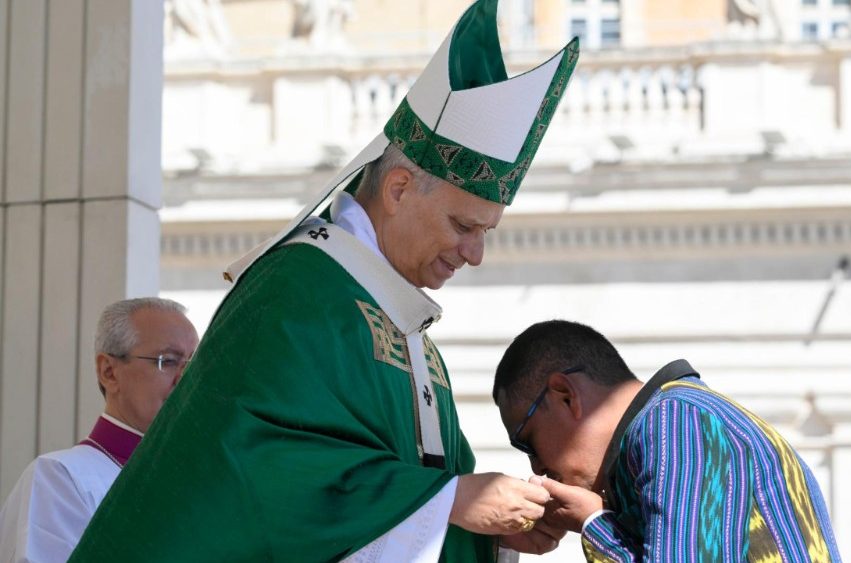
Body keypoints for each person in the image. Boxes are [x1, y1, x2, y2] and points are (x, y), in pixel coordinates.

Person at [70, 1, 578, 561]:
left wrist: (488, 528)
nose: (476, 254)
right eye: (463, 226)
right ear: (400, 188)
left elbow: (413, 494)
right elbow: (256, 476)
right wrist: (451, 502)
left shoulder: (409, 331)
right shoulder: (295, 292)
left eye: (486, 232)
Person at [493, 320, 843, 562]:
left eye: (528, 442)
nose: (537, 468)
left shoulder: (677, 422)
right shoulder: (674, 422)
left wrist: (593, 523)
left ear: (564, 395)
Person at [0, 297, 198, 562]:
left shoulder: (197, 478)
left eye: (194, 365)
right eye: (168, 361)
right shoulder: (60, 478)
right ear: (109, 372)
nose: (186, 379)